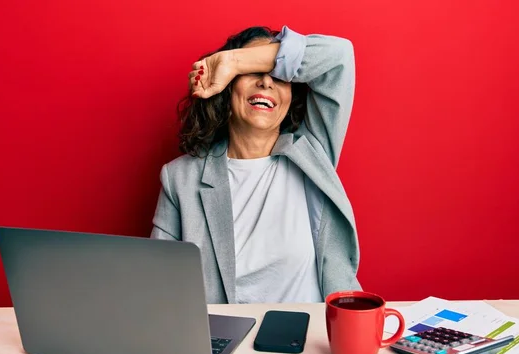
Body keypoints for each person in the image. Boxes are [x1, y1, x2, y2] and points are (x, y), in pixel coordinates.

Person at [151, 25, 361, 304]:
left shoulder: (312, 153)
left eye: (278, 74)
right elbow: (157, 284)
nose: (266, 82)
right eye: (252, 73)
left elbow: (339, 56)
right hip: (223, 341)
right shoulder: (180, 178)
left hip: (314, 339)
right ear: (227, 87)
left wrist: (233, 60)